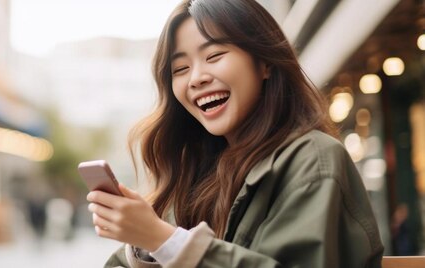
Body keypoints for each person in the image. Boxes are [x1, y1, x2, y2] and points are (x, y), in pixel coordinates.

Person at [85, 0, 384, 267]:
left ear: (264, 62)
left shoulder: (314, 160)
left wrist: (165, 240)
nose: (197, 78)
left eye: (214, 55)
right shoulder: (196, 174)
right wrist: (144, 245)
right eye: (180, 69)